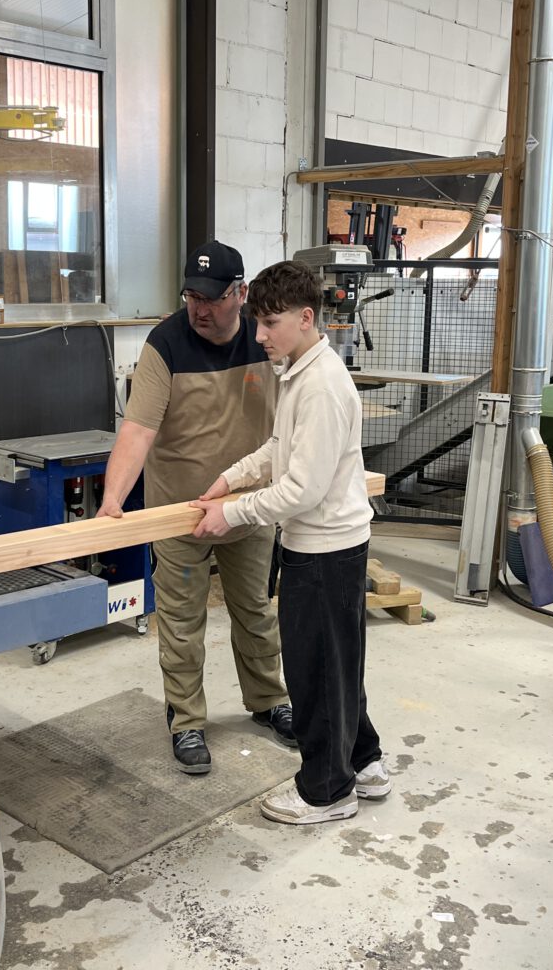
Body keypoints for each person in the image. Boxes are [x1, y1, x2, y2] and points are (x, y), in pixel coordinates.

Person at [190, 259, 391, 824]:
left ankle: (326, 792)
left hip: (324, 552)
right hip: (331, 546)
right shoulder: (302, 371)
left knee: (315, 672)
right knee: (338, 664)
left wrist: (231, 514)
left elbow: (302, 491)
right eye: (257, 321)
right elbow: (279, 448)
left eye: (270, 323)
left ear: (306, 318)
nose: (260, 335)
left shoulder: (321, 386)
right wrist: (231, 478)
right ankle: (364, 763)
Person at [97, 240, 295, 774]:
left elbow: (295, 410)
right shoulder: (165, 344)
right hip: (180, 513)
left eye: (211, 298)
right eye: (191, 297)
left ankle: (269, 700)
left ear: (240, 293)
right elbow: (137, 431)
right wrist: (111, 503)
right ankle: (186, 721)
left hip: (248, 507)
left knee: (256, 612)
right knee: (182, 624)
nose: (199, 309)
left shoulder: (265, 337)